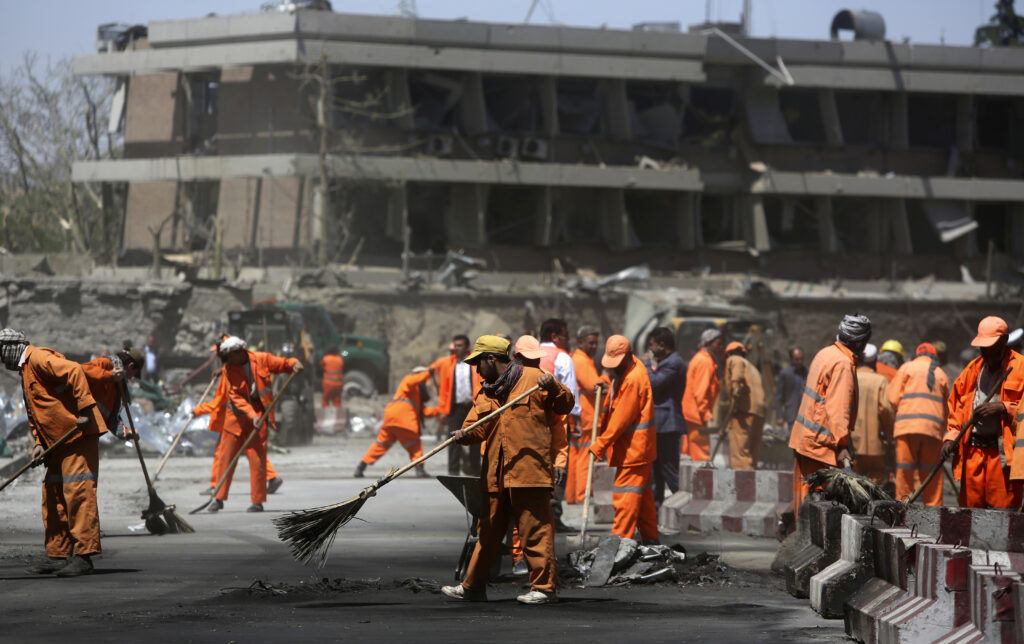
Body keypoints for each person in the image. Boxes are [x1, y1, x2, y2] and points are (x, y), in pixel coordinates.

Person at [441, 335, 572, 605]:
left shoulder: (536, 379)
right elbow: (478, 427)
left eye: (479, 363)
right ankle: (473, 587)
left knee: (534, 530)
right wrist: (464, 435)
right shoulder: (488, 390)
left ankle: (544, 588)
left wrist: (555, 387)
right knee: (488, 533)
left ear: (492, 358)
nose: (476, 370)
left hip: (529, 470)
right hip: (496, 473)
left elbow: (565, 405)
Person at [4, 329, 109, 577]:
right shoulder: (25, 370)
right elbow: (36, 410)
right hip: (57, 443)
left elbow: (74, 370)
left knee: (77, 493)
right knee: (53, 495)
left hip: (77, 436)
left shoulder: (38, 358)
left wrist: (84, 408)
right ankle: (59, 554)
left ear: (10, 348)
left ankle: (84, 557)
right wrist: (39, 442)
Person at [204, 336, 303, 513]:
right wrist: (251, 415)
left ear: (239, 352)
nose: (226, 361)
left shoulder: (262, 359)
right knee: (226, 459)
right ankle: (218, 499)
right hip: (235, 417)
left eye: (228, 357)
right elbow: (236, 397)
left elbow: (283, 364)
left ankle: (257, 501)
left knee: (257, 458)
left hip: (260, 412)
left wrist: (295, 363)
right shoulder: (228, 369)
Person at [789, 315, 870, 517]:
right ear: (858, 341)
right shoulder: (842, 364)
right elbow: (838, 408)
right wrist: (842, 445)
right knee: (820, 505)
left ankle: (798, 537)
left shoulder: (825, 354)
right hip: (821, 446)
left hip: (804, 439)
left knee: (804, 501)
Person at [942, 317, 1024, 508]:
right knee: (970, 516)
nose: (986, 352)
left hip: (1003, 457)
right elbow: (956, 407)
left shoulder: (1020, 368)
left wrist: (1004, 408)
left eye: (991, 347)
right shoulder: (973, 369)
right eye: (983, 347)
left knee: (1003, 517)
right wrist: (950, 438)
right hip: (973, 455)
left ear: (1004, 342)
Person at [591, 335, 658, 544]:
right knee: (643, 498)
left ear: (628, 355)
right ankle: (651, 541)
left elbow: (621, 418)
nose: (613, 368)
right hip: (635, 450)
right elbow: (617, 394)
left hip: (633, 452)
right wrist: (605, 385)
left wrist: (600, 444)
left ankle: (618, 544)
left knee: (625, 498)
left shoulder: (634, 378)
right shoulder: (629, 369)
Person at [195, 338, 283, 496]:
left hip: (233, 419)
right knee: (251, 451)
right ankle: (270, 476)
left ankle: (216, 485)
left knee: (232, 453)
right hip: (234, 418)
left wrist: (198, 410)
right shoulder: (229, 370)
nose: (217, 356)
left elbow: (220, 401)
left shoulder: (232, 373)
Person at [888, 343, 950, 505]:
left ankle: (902, 513)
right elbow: (947, 408)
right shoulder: (941, 373)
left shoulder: (906, 368)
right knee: (932, 478)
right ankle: (934, 516)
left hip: (906, 428)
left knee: (905, 475)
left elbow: (893, 398)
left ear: (917, 354)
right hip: (933, 432)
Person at [354, 367, 439, 478]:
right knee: (415, 446)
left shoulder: (415, 394)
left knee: (380, 445)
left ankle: (361, 467)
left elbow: (424, 412)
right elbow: (415, 380)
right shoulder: (409, 380)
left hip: (391, 420)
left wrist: (440, 410)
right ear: (420, 375)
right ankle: (420, 470)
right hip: (403, 420)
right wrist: (428, 373)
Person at [538, 318, 579, 532]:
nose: (568, 339)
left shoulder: (528, 356)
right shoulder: (562, 357)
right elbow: (571, 394)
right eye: (565, 335)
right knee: (559, 466)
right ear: (555, 336)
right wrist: (577, 419)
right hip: (558, 421)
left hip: (532, 423)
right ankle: (554, 514)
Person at [643, 326, 686, 504]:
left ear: (662, 345)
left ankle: (683, 503)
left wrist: (646, 364)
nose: (650, 349)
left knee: (668, 467)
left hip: (667, 423)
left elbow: (654, 383)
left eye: (652, 345)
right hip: (660, 423)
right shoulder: (667, 362)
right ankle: (656, 507)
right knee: (656, 468)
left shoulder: (673, 363)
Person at [432, 335, 481, 476]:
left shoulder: (475, 362)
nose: (455, 348)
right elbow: (444, 390)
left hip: (473, 407)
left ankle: (475, 472)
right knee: (453, 440)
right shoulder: (448, 365)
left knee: (475, 439)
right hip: (455, 408)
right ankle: (453, 472)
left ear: (467, 347)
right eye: (455, 345)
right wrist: (442, 411)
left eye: (459, 345)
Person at [569, 325, 606, 504]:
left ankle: (573, 495)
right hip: (587, 417)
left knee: (577, 457)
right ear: (580, 342)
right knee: (586, 457)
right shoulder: (582, 361)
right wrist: (607, 379)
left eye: (596, 343)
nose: (594, 346)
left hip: (582, 416)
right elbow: (595, 386)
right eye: (590, 343)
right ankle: (583, 495)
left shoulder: (579, 359)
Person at [851, 344, 894, 487]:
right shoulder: (880, 380)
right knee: (875, 479)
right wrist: (889, 435)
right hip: (875, 444)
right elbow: (886, 409)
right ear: (875, 361)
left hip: (853, 443)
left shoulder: (851, 377)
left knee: (854, 481)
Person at [81, 343, 144, 440]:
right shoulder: (105, 364)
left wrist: (128, 433)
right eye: (133, 374)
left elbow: (112, 419)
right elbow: (80, 372)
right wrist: (110, 375)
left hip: (88, 434)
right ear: (131, 366)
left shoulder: (119, 390)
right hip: (75, 424)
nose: (131, 378)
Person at [682, 327, 724, 461]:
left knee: (689, 452)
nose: (720, 347)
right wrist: (706, 414)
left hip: (692, 413)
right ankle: (700, 480)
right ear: (708, 343)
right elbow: (701, 391)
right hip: (697, 415)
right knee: (701, 453)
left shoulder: (701, 359)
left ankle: (688, 479)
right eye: (718, 343)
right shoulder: (705, 362)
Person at [723, 341, 766, 471]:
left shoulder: (734, 359)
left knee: (740, 453)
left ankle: (743, 486)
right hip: (759, 412)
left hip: (744, 409)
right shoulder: (753, 368)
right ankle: (752, 482)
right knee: (751, 453)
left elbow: (737, 375)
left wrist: (735, 387)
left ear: (729, 353)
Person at [775, 347, 807, 432]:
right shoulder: (785, 374)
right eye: (797, 359)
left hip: (807, 416)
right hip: (792, 415)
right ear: (791, 359)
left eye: (801, 359)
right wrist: (779, 416)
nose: (800, 361)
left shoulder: (808, 372)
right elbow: (779, 396)